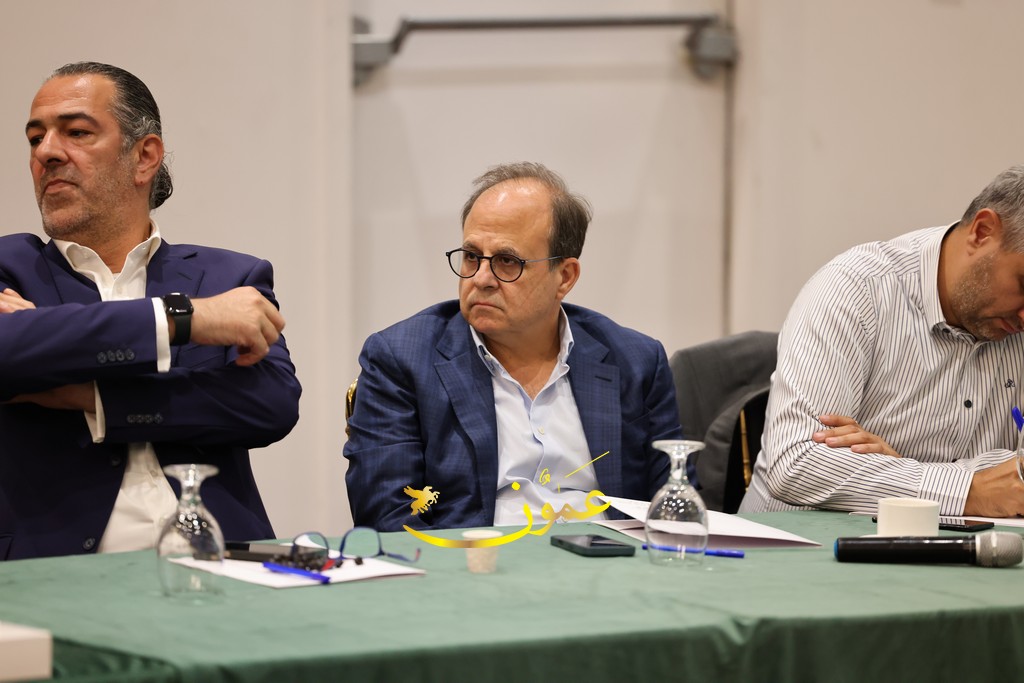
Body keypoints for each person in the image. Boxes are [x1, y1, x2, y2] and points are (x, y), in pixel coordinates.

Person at [0, 62, 301, 560]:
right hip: (51, 566)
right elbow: (7, 350)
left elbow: (269, 403)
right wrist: (181, 320)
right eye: (35, 139)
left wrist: (93, 398)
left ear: (144, 157)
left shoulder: (229, 277)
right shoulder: (9, 266)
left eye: (76, 132)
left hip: (219, 560)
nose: (47, 152)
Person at [344, 162, 682, 531]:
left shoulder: (635, 361)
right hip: (474, 560)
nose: (481, 279)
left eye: (507, 262)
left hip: (609, 559)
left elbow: (675, 504)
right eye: (472, 256)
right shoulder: (401, 359)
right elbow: (388, 518)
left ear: (565, 276)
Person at [740, 166, 1024, 518]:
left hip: (954, 548)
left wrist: (902, 472)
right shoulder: (855, 290)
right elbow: (796, 462)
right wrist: (969, 490)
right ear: (982, 232)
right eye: (1022, 283)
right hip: (801, 545)